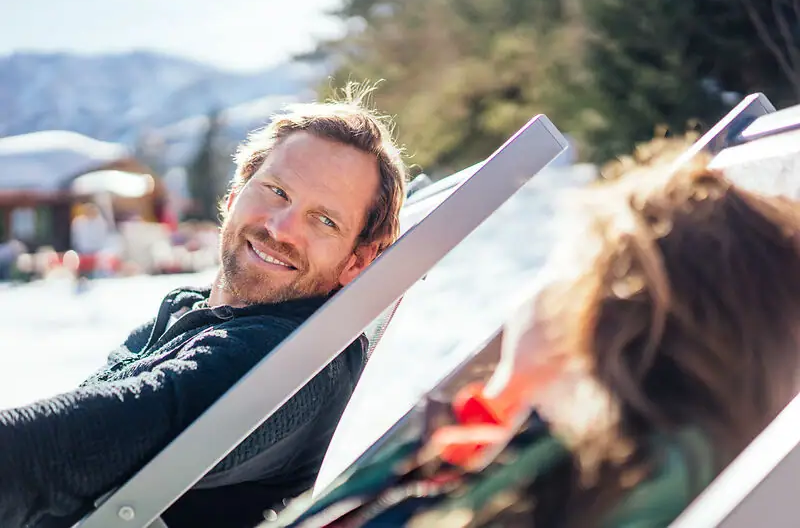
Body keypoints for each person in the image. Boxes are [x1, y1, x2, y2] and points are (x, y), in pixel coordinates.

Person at [272, 152, 800, 528]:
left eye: (562, 272)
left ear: (597, 318)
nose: (533, 294)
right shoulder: (481, 455)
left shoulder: (589, 485)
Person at [0, 86, 408, 528]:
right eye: (276, 191)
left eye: (324, 220)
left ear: (357, 261)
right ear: (234, 197)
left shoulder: (289, 360)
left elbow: (68, 448)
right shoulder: (187, 311)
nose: (281, 227)